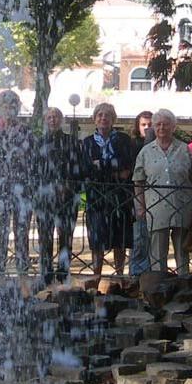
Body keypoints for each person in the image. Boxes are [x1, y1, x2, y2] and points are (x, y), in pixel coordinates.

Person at [133, 108, 192, 275]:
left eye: (166, 124)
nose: (162, 128)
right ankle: (159, 285)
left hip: (181, 206)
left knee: (182, 251)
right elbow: (138, 181)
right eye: (158, 124)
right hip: (155, 208)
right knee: (157, 254)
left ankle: (183, 284)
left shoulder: (185, 149)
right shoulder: (146, 152)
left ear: (173, 127)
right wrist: (140, 207)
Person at [0, 90, 36, 275]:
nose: (9, 108)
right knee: (0, 228)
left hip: (21, 187)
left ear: (17, 108)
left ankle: (22, 267)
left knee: (22, 229)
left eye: (13, 105)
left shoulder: (25, 131)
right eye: (5, 105)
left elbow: (31, 159)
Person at [82, 102, 134, 278]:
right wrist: (113, 168)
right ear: (94, 119)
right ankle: (96, 277)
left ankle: (120, 277)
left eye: (107, 115)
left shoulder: (123, 140)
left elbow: (126, 165)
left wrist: (100, 164)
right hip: (96, 197)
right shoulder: (87, 142)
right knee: (97, 240)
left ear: (113, 119)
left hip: (120, 196)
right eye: (100, 115)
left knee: (119, 240)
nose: (103, 118)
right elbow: (86, 169)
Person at [34, 107, 82, 283]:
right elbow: (35, 169)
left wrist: (66, 185)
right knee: (45, 236)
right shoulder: (39, 143)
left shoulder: (71, 142)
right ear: (45, 120)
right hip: (44, 198)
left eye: (55, 117)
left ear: (61, 120)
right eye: (49, 117)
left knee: (66, 236)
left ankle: (63, 273)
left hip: (67, 198)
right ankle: (46, 273)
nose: (52, 120)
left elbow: (77, 166)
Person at [129, 110, 153, 276]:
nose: (147, 128)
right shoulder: (133, 145)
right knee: (139, 236)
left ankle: (153, 272)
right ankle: (136, 273)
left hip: (157, 195)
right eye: (143, 125)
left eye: (150, 124)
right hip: (137, 194)